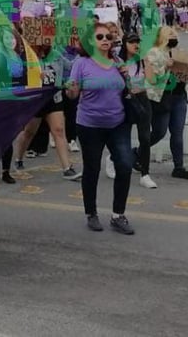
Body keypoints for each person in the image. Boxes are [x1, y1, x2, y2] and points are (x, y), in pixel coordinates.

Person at [66, 22, 134, 235]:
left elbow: (129, 91)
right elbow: (72, 95)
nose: (105, 40)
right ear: (90, 41)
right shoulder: (81, 63)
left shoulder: (118, 61)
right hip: (89, 125)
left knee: (124, 165)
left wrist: (127, 77)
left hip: (118, 123)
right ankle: (91, 213)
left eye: (108, 36)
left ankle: (118, 215)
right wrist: (72, 88)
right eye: (100, 37)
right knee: (92, 169)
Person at [15, 43, 81, 180]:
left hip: (54, 98)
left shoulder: (57, 54)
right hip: (35, 100)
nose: (44, 45)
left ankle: (67, 168)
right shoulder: (28, 55)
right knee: (29, 132)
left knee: (58, 130)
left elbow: (70, 66)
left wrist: (81, 51)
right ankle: (18, 158)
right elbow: (18, 74)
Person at [147, 27, 188, 180]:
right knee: (159, 132)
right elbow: (151, 76)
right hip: (162, 97)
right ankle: (135, 152)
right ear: (161, 37)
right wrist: (165, 66)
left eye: (175, 35)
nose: (174, 37)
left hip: (179, 96)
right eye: (170, 35)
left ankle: (179, 166)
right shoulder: (154, 52)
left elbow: (187, 73)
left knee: (177, 133)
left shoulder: (178, 52)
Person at [117, 34, 156, 189]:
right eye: (131, 42)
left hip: (142, 99)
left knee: (145, 138)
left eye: (137, 42)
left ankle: (145, 174)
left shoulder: (141, 60)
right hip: (125, 100)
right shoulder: (118, 62)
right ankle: (114, 160)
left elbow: (152, 80)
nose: (135, 45)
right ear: (125, 44)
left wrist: (147, 61)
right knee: (123, 137)